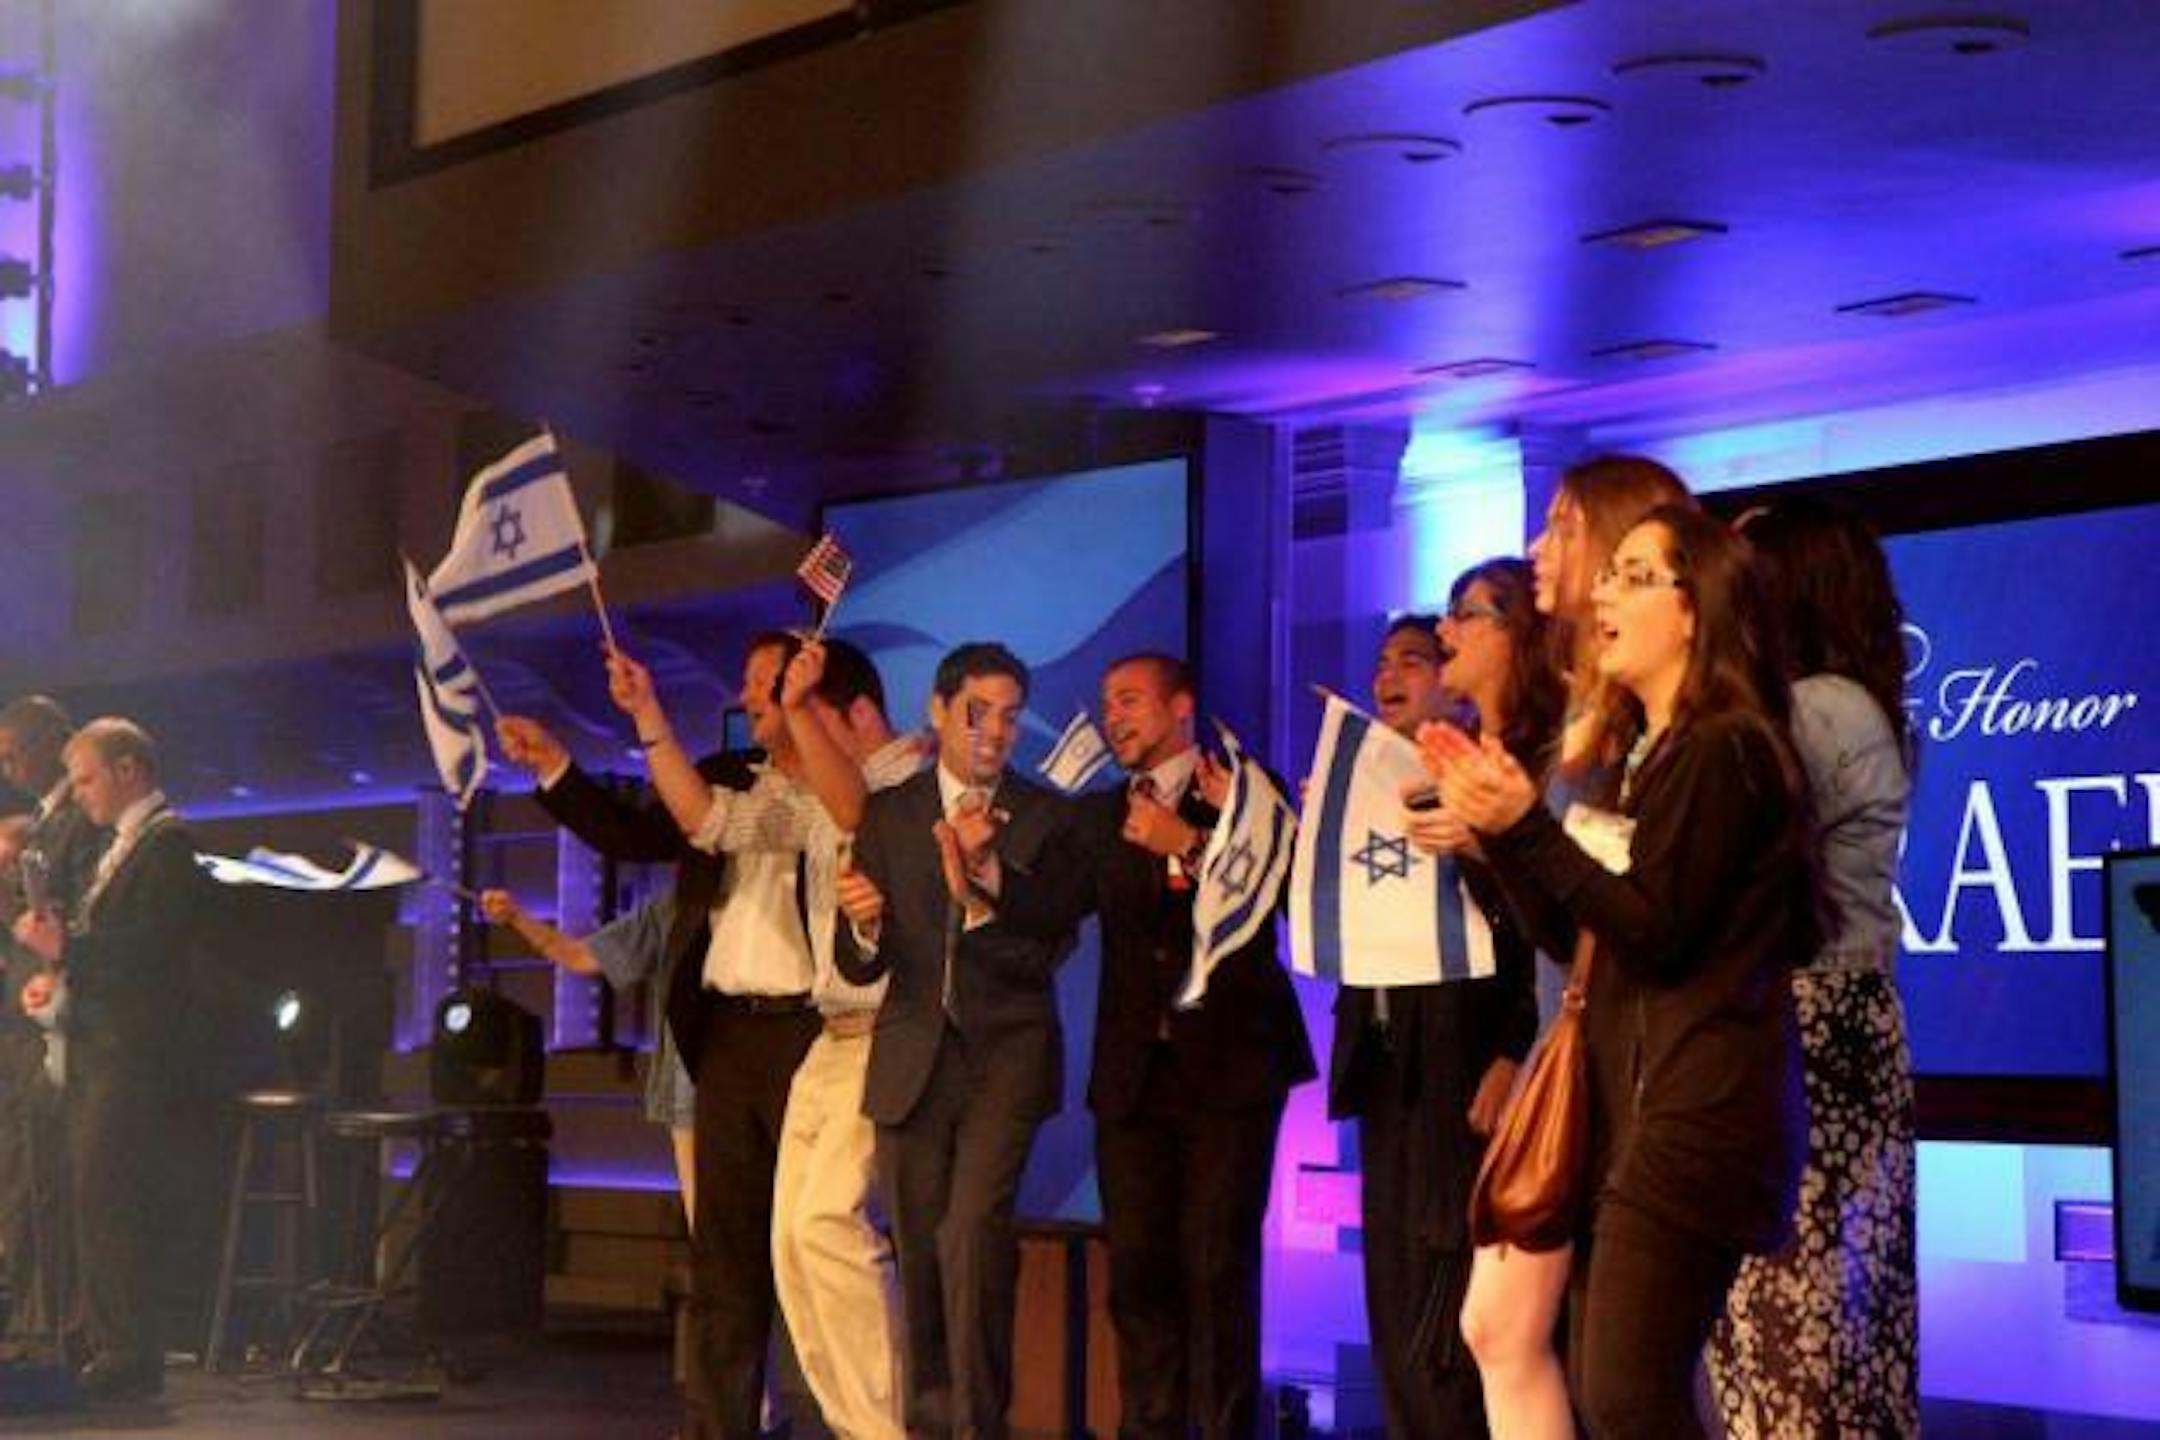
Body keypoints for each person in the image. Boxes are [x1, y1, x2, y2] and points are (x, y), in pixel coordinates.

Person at [1427, 504, 1814, 1439]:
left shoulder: (1724, 748)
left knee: (1629, 1397)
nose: (1603, 596)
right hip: (1631, 1111)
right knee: (1617, 1394)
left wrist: (1526, 828)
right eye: (1610, 575)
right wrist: (1502, 835)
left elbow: (1658, 930)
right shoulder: (1644, 756)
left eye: (1635, 576)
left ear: (1695, 609)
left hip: (1696, 1116)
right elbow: (1578, 937)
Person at [498, 633, 823, 1440]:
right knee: (723, 1253)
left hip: (818, 1038)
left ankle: (853, 1418)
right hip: (726, 1039)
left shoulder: (849, 788)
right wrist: (558, 765)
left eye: (764, 682)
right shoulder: (720, 782)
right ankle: (722, 1424)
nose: (748, 698)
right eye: (747, 682)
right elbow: (635, 830)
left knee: (818, 1244)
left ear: (809, 687)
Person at [615, 634, 924, 1440]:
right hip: (818, 1039)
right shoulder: (811, 799)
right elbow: (710, 820)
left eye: (793, 700)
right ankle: (833, 1425)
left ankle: (883, 1429)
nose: (764, 706)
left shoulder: (909, 782)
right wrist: (649, 716)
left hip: (887, 1037)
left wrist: (798, 710)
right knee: (784, 1243)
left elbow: (859, 808)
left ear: (854, 713)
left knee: (828, 1233)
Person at [999, 653, 1314, 1440]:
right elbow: (1046, 909)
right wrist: (978, 872)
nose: (1115, 716)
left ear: (1181, 707)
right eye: (1108, 703)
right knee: (1137, 1272)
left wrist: (1190, 846)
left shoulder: (1244, 791)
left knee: (1216, 1269)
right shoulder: (1101, 815)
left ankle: (1225, 1429)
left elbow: (1292, 902)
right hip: (1133, 1077)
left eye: (1131, 700)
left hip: (1231, 1070)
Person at [1452, 456, 1692, 1440]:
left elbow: (1640, 921)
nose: (1540, 549)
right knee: (1506, 1328)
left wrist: (1514, 830)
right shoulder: (1593, 710)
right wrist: (1501, 832)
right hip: (1575, 1040)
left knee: (1623, 1376)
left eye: (1561, 528)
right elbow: (1565, 922)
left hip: (1636, 1070)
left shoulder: (1673, 731)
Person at [830, 641, 1080, 1440]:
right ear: (937, 712)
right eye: (978, 713)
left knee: (971, 1234)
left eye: (1010, 716)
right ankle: (930, 1423)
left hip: (1006, 1057)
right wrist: (863, 926)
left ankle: (980, 1426)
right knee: (919, 1252)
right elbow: (856, 960)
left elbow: (1049, 947)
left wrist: (979, 892)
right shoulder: (890, 813)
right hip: (911, 1060)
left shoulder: (1045, 817)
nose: (995, 731)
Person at [1710, 498, 1919, 1439]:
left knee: (1800, 1323)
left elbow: (1735, 859)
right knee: (1821, 1320)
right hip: (1837, 1017)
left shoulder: (1818, 709)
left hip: (1809, 1023)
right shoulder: (1842, 702)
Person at [1335, 593, 1547, 1440]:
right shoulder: (1367, 785)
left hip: (1464, 1064)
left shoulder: (1489, 781)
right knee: (1390, 1282)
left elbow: (1539, 932)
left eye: (1413, 661)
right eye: (1381, 663)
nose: (1388, 676)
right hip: (1385, 1063)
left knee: (1448, 1279)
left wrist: (1513, 1052)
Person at [11, 718, 213, 1400]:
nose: (80, 794)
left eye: (88, 780)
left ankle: (127, 1348)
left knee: (112, 1201)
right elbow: (110, 947)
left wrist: (67, 950)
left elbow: (151, 950)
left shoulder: (167, 846)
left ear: (129, 770)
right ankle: (95, 1338)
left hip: (131, 1053)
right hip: (98, 1046)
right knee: (87, 1197)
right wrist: (57, 979)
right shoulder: (118, 848)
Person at [481, 890, 700, 1222]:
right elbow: (580, 956)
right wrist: (516, 918)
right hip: (689, 1092)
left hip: (755, 1080)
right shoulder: (674, 910)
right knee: (709, 1225)